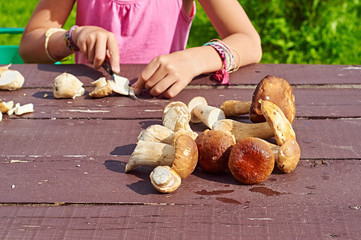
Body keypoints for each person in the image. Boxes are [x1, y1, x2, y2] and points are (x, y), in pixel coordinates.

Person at [19, 0, 262, 98]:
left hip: (160, 111)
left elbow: (250, 42)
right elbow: (29, 46)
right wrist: (73, 37)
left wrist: (196, 59)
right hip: (84, 113)